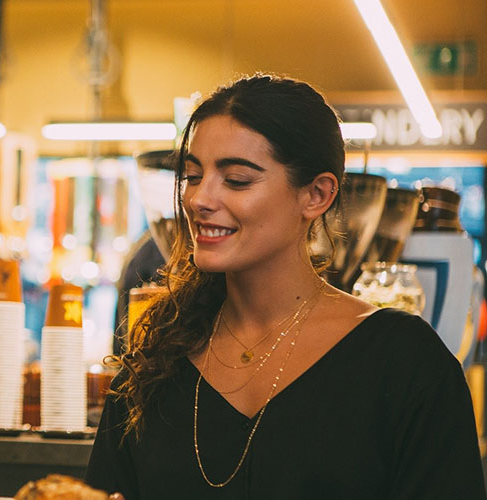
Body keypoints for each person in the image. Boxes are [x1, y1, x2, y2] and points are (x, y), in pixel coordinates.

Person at [85, 75, 485, 499]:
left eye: (236, 179)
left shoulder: (404, 361)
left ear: (316, 194)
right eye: (192, 176)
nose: (200, 198)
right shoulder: (157, 361)